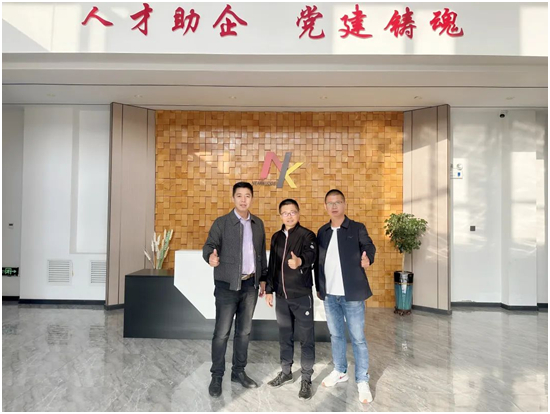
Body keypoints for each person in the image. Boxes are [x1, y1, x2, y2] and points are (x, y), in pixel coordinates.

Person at [202, 182, 268, 398]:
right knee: (222, 333)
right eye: (239, 195)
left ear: (252, 198)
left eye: (247, 195)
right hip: (227, 286)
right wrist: (210, 257)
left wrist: (263, 279)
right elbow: (209, 246)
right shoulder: (222, 223)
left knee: (244, 332)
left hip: (250, 286)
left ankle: (238, 371)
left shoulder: (258, 224)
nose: (243, 199)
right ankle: (217, 376)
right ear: (233, 198)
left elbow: (261, 255)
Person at [315, 189, 376, 404]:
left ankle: (362, 379)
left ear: (344, 204)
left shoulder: (357, 228)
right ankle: (340, 371)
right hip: (330, 295)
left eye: (338, 202)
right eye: (330, 203)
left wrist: (368, 258)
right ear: (325, 206)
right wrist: (320, 288)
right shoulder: (322, 232)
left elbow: (369, 246)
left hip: (352, 295)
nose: (334, 206)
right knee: (336, 335)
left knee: (358, 338)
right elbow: (318, 263)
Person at [262, 199, 317, 400]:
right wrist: (269, 289)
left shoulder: (307, 235)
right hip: (281, 297)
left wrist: (300, 261)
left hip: (302, 296)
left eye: (293, 212)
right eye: (285, 213)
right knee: (285, 336)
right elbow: (272, 265)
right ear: (280, 216)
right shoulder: (276, 237)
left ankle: (306, 379)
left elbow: (312, 255)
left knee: (306, 339)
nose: (289, 216)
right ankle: (286, 372)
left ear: (298, 213)